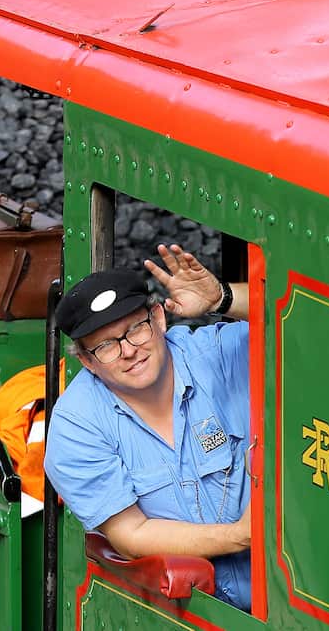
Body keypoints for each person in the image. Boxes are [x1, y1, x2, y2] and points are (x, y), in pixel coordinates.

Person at [44, 244, 252, 611]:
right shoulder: (75, 426)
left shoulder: (215, 355)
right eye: (107, 345)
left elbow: (302, 324)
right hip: (183, 610)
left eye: (135, 329)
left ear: (158, 319)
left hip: (288, 588)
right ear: (88, 362)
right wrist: (239, 536)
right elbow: (131, 534)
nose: (129, 350)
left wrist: (224, 297)